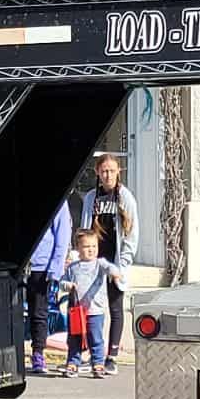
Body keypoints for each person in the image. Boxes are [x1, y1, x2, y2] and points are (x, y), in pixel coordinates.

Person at [78, 153, 137, 375]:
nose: (108, 175)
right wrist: (82, 257)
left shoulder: (125, 198)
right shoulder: (91, 198)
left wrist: (122, 266)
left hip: (114, 263)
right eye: (104, 171)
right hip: (93, 264)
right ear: (97, 173)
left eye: (112, 170)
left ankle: (111, 356)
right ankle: (94, 354)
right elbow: (85, 228)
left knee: (115, 308)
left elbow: (132, 235)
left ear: (118, 172)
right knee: (92, 310)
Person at [60, 228, 124, 380]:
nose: (91, 250)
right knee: (74, 338)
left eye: (94, 246)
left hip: (95, 311)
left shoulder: (100, 264)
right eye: (87, 247)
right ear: (78, 248)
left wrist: (115, 274)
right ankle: (73, 363)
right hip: (76, 311)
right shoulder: (73, 267)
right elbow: (62, 282)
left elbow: (111, 268)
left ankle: (98, 363)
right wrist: (67, 286)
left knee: (95, 338)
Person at [25, 199, 72, 375]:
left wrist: (55, 270)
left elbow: (62, 235)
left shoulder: (59, 200)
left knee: (39, 313)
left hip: (42, 267)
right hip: (18, 267)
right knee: (13, 313)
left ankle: (38, 353)